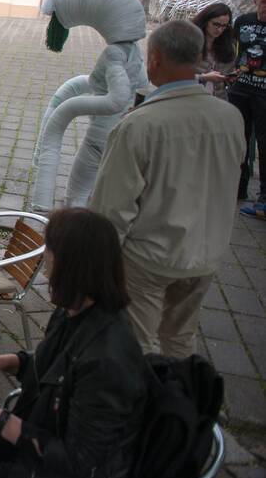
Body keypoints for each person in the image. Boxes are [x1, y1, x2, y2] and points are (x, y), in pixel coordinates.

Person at [0, 208, 150, 478]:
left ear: (71, 265)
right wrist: (11, 361)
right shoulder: (75, 309)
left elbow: (79, 462)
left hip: (54, 472)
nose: (45, 260)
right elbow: (58, 367)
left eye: (49, 251)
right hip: (33, 437)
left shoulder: (107, 361)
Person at [89, 20, 244, 357]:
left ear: (154, 59)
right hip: (206, 254)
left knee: (136, 345)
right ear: (199, 56)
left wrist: (97, 270)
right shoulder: (231, 117)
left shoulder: (139, 125)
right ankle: (178, 401)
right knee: (180, 339)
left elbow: (111, 209)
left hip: (150, 258)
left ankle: (139, 406)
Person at [229, 0, 266, 205]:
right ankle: (237, 188)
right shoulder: (243, 21)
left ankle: (264, 196)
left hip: (264, 94)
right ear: (256, 1)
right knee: (238, 140)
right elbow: (233, 49)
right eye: (263, 2)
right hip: (240, 89)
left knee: (264, 143)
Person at [191, 0, 236, 99]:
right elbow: (174, 74)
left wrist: (231, 77)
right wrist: (203, 77)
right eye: (216, 24)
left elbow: (227, 74)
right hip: (190, 96)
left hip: (217, 98)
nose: (220, 29)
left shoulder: (228, 46)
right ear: (206, 21)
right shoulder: (190, 41)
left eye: (224, 26)